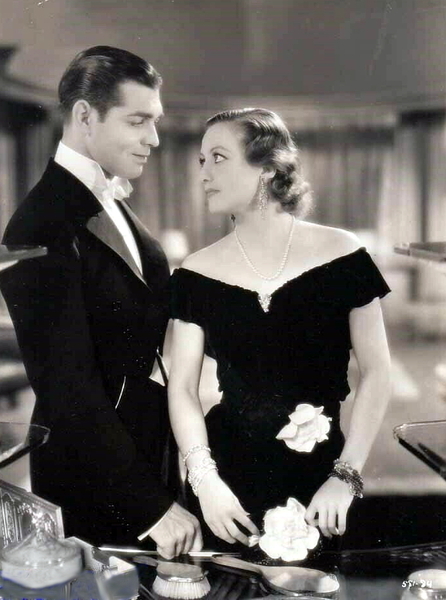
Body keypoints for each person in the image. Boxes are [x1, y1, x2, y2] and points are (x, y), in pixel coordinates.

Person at [0, 46, 201, 557]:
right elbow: (65, 388)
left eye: (155, 121)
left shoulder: (108, 200)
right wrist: (149, 505)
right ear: (85, 116)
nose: (154, 138)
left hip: (144, 456)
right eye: (138, 121)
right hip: (95, 480)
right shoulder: (39, 223)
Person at [168, 108, 392, 550]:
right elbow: (182, 389)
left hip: (323, 479)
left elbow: (377, 373)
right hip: (225, 485)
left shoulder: (343, 254)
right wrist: (205, 482)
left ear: (268, 168)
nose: (204, 173)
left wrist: (345, 476)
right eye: (201, 161)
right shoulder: (194, 273)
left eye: (218, 158)